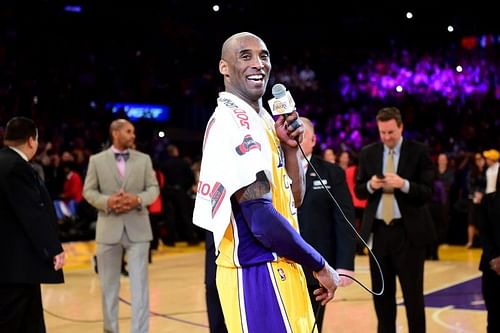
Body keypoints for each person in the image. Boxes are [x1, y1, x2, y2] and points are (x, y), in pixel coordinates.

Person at [192, 32, 339, 333]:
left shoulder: (264, 121)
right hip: (255, 275)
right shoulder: (231, 124)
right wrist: (320, 264)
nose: (258, 63)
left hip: (284, 267)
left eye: (264, 55)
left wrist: (288, 147)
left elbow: (295, 200)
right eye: (245, 56)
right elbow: (260, 219)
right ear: (224, 67)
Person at [355, 106, 435, 333]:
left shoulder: (419, 151)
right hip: (378, 234)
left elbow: (428, 192)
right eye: (382, 132)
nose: (387, 137)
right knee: (382, 297)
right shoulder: (368, 153)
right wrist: (371, 185)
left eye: (391, 132)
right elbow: (360, 191)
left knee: (413, 297)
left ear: (401, 127)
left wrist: (404, 184)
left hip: (408, 234)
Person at [83, 118, 159, 333]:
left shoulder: (144, 160)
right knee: (108, 287)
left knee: (140, 288)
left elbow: (153, 189)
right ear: (115, 133)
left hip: (139, 231)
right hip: (108, 230)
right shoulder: (96, 161)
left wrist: (138, 200)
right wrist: (107, 202)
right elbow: (88, 191)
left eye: (133, 131)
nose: (133, 135)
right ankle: (110, 330)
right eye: (128, 131)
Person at [0, 116, 65, 332]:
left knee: (31, 320)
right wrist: (53, 248)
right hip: (17, 263)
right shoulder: (17, 167)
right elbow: (32, 213)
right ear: (31, 141)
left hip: (15, 264)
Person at [297, 117, 356, 332]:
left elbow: (344, 219)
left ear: (313, 140)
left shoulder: (332, 173)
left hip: (316, 266)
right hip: (281, 267)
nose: (297, 138)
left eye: (303, 134)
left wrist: (345, 263)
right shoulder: (273, 170)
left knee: (312, 327)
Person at [479, 148, 500, 333]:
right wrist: (494, 258)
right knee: (493, 319)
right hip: (493, 268)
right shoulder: (489, 201)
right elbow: (484, 233)